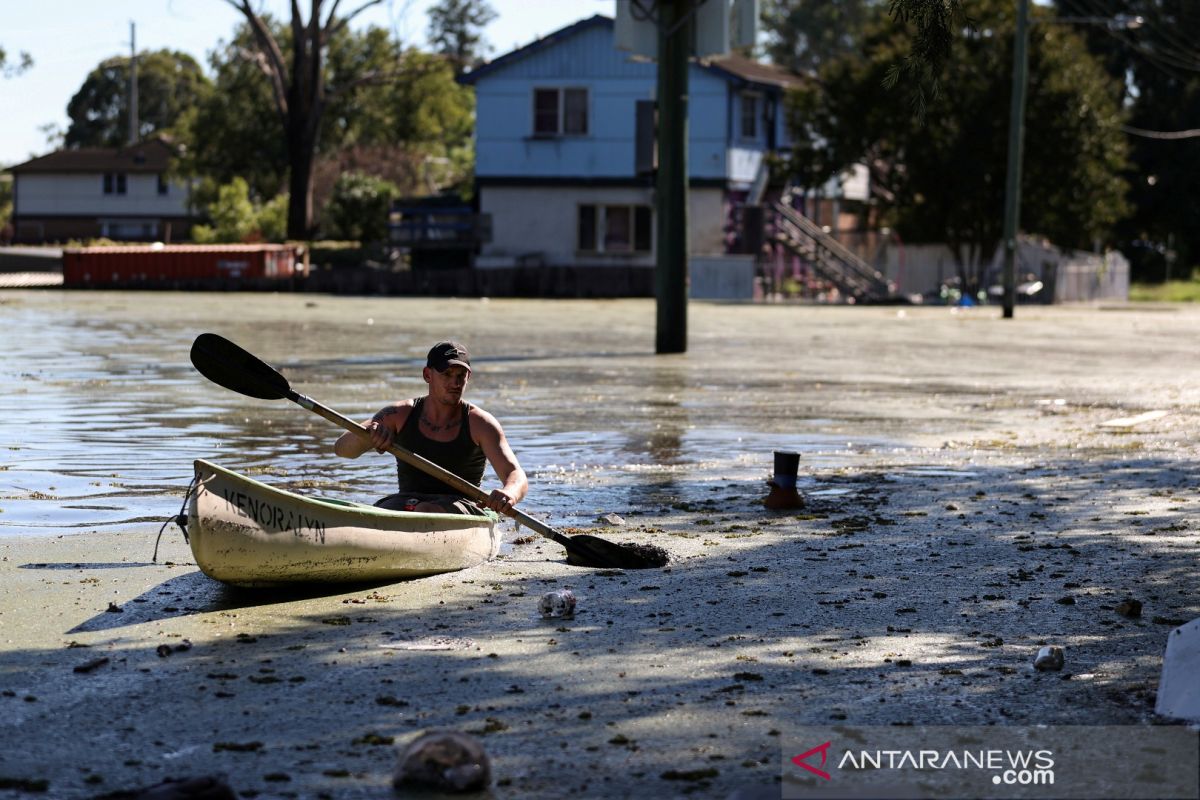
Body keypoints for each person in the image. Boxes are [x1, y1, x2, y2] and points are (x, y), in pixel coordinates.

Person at [334, 341, 528, 516]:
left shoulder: (481, 424)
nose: (455, 382)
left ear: (468, 376)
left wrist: (509, 493)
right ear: (428, 375)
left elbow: (515, 474)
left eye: (461, 375)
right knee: (376, 511)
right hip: (407, 502)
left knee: (425, 510)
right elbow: (342, 449)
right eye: (447, 374)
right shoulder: (399, 414)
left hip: (462, 506)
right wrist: (368, 436)